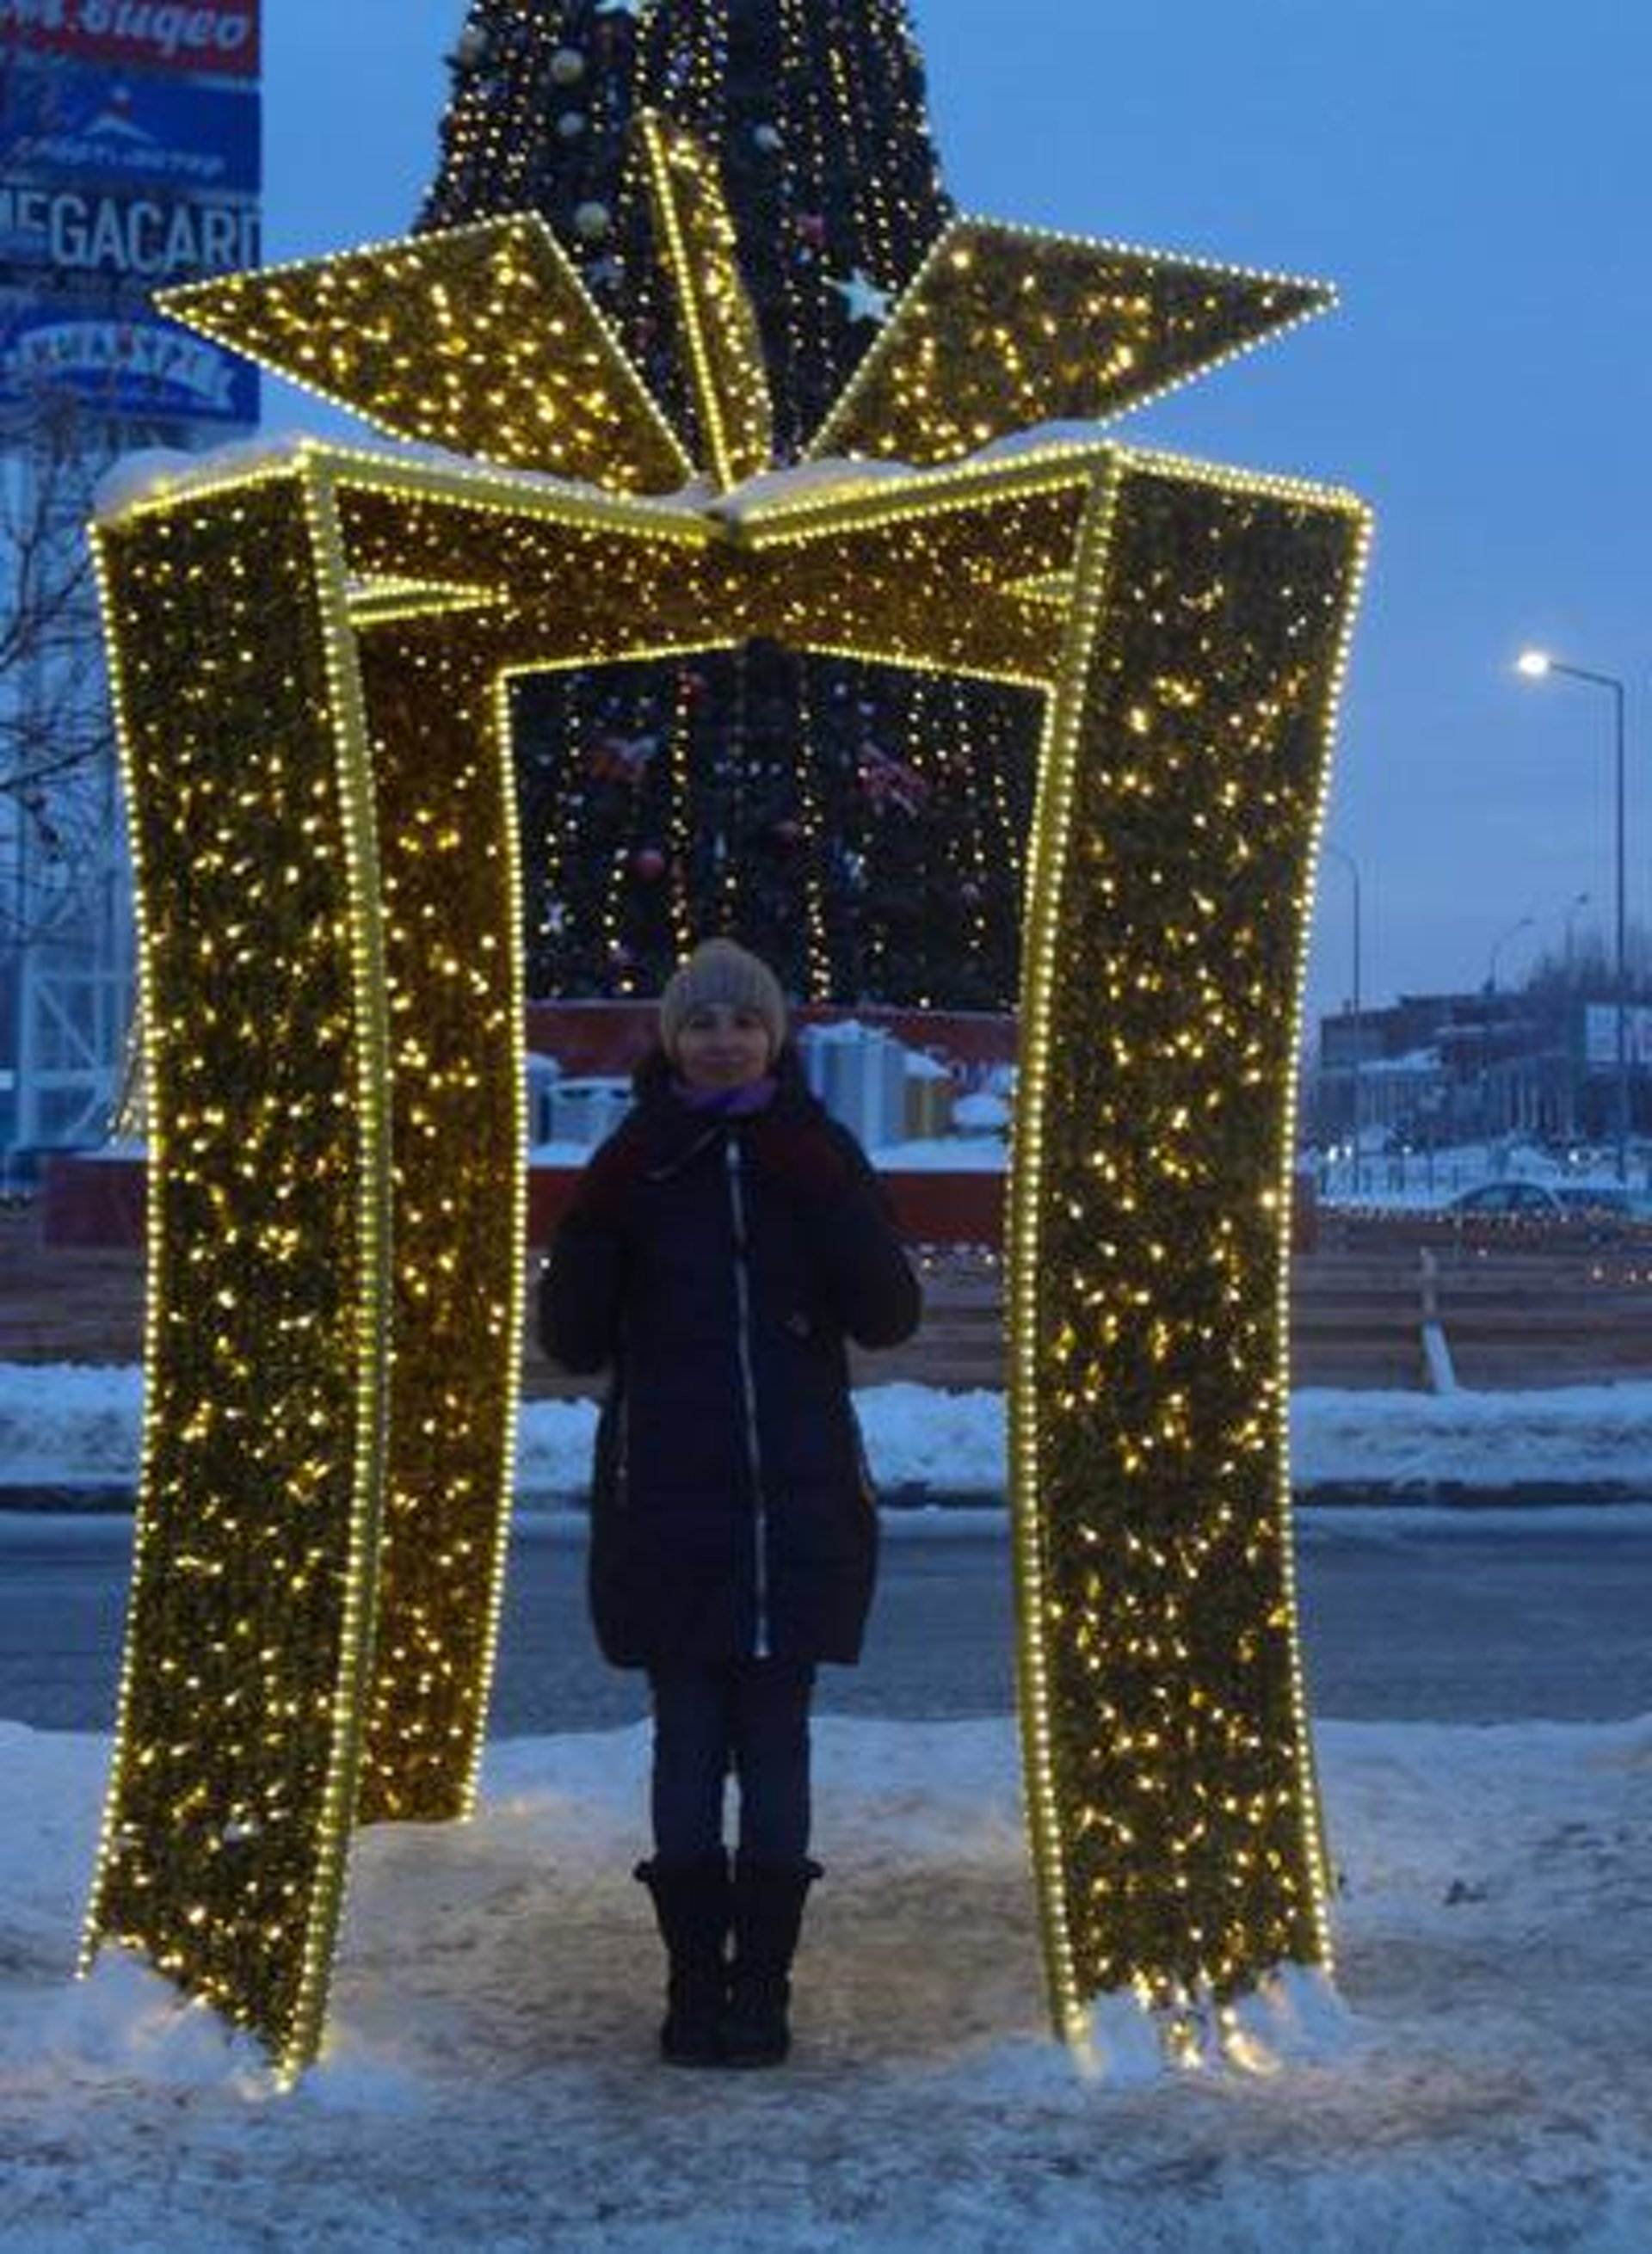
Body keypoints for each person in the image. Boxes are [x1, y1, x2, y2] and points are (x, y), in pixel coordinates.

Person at [539, 939, 922, 2069]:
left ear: (775, 1036)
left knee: (778, 1746)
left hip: (795, 1508)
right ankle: (690, 1986)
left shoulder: (818, 1149)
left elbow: (886, 1312)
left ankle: (763, 1990)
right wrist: (594, 1220)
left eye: (741, 1022)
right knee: (687, 1748)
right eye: (700, 1023)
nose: (721, 1040)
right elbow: (570, 1339)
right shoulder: (637, 1159)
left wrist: (829, 1189)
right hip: (666, 1503)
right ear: (672, 1040)